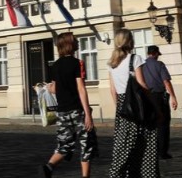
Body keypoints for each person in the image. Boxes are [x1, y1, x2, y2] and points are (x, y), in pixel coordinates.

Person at [39, 32, 97, 178]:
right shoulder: (78, 63)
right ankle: (85, 176)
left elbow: (54, 89)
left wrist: (46, 88)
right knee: (86, 144)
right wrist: (88, 114)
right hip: (77, 110)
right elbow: (81, 88)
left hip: (62, 111)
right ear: (70, 44)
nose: (77, 42)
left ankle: (48, 166)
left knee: (64, 145)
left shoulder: (55, 65)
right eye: (75, 40)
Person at [107, 30, 159, 178]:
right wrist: (156, 108)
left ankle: (120, 173)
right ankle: (146, 174)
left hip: (123, 107)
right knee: (146, 144)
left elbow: (113, 90)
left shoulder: (111, 63)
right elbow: (142, 84)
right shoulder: (134, 59)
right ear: (130, 42)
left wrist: (120, 109)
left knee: (123, 145)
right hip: (138, 105)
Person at [141, 46, 178, 160]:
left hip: (146, 97)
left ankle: (151, 151)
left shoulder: (141, 65)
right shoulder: (159, 65)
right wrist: (173, 96)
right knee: (163, 124)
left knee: (150, 125)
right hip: (159, 97)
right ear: (156, 53)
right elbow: (166, 81)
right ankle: (162, 152)